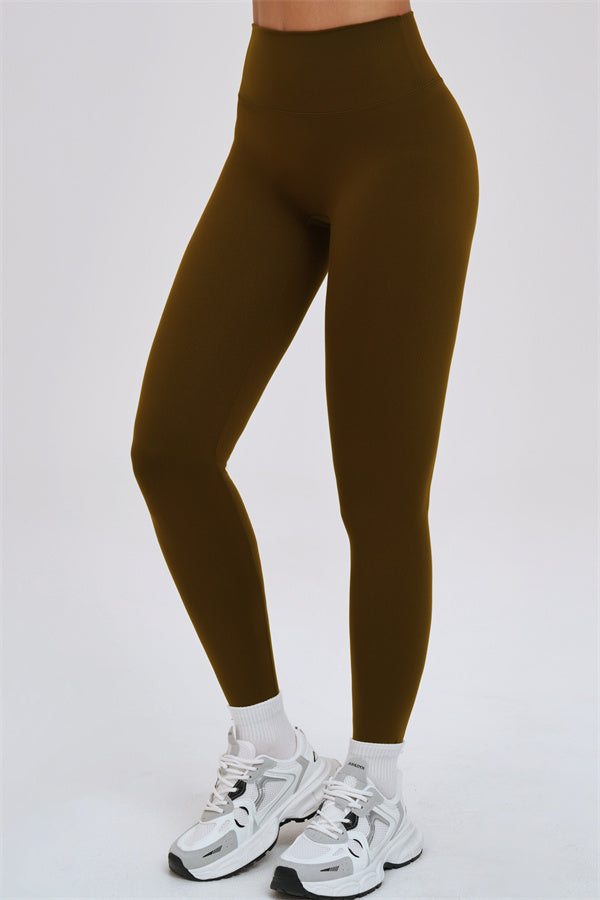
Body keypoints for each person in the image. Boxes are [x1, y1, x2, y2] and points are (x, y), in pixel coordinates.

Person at [130, 0, 479, 895]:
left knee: (379, 493)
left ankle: (377, 787)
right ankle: (272, 752)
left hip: (399, 140)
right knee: (170, 449)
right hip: (266, 134)